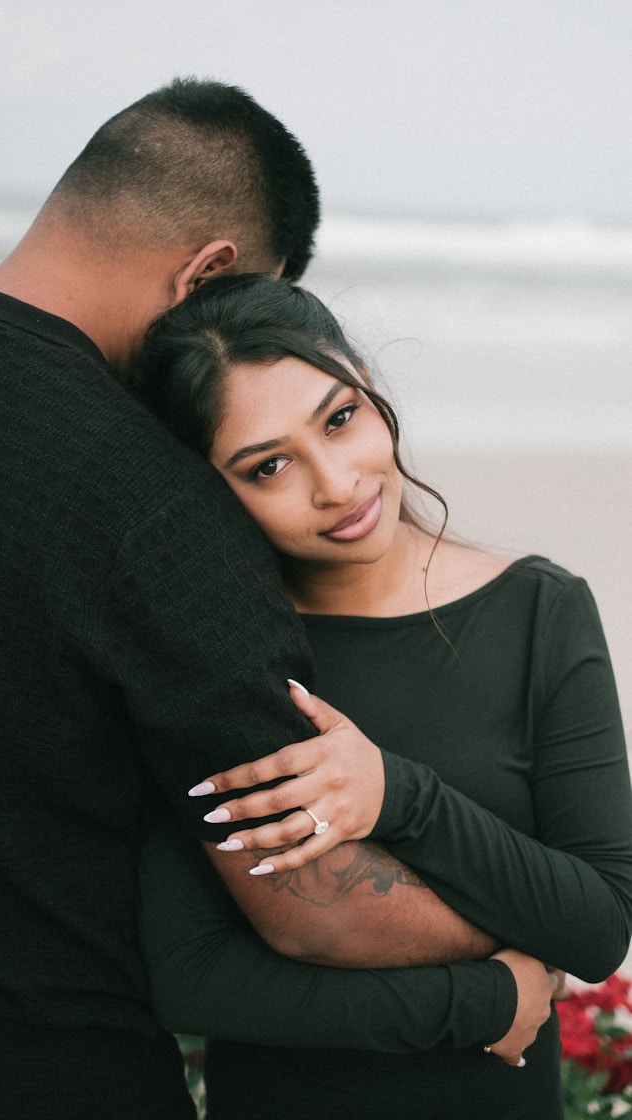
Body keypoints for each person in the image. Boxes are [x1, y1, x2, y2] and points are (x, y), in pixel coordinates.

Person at [0, 77, 365, 1120]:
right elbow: (309, 906)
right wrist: (512, 958)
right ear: (209, 274)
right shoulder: (160, 509)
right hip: (45, 1073)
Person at [131, 273, 632, 1120]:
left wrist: (396, 795)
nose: (336, 483)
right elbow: (193, 977)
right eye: (269, 465)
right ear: (211, 488)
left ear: (367, 381)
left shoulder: (539, 610)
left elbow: (596, 926)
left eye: (339, 417)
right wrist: (481, 997)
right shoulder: (216, 660)